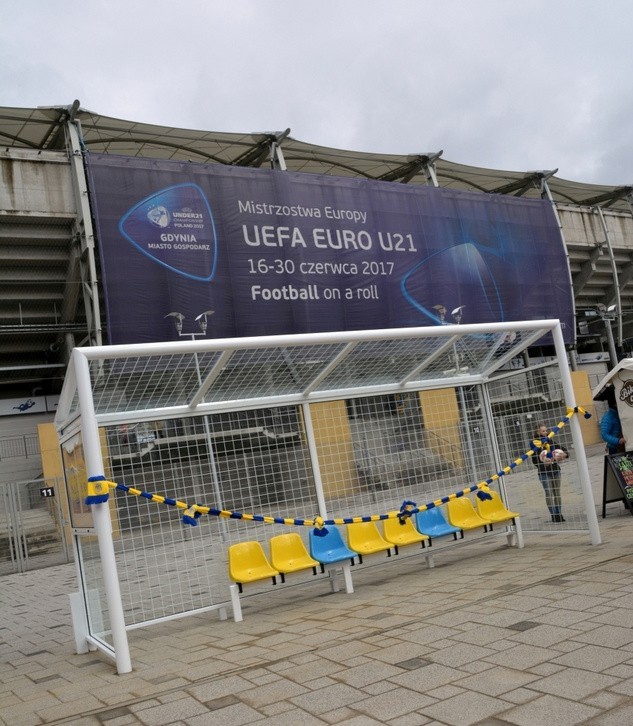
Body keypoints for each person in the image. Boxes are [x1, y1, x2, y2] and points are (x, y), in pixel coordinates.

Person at [530, 424, 568, 523]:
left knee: (557, 493)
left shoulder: (550, 440)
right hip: (544, 472)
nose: (545, 433)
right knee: (549, 493)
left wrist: (565, 454)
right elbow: (534, 460)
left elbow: (564, 450)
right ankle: (553, 515)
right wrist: (544, 464)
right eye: (543, 431)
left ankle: (559, 514)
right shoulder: (534, 444)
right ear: (538, 432)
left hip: (556, 470)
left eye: (546, 431)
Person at [598, 386, 626, 454]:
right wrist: (618, 441)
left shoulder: (620, 413)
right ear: (615, 403)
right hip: (615, 449)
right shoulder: (608, 417)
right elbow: (604, 434)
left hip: (624, 447)